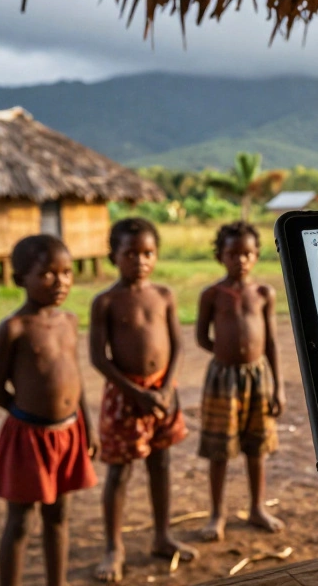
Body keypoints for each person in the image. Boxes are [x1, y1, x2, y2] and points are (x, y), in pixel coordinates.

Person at [0, 235, 99, 586]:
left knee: (59, 514)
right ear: (21, 279)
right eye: (48, 274)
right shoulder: (14, 328)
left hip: (69, 432)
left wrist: (87, 426)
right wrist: (28, 417)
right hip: (28, 438)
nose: (61, 281)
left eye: (67, 272)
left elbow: (75, 377)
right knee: (19, 520)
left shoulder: (69, 321)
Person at [90, 218, 197, 581]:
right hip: (126, 395)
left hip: (163, 392)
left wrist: (165, 389)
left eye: (148, 252)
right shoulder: (105, 301)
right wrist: (134, 392)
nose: (140, 260)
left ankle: (162, 535)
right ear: (112, 256)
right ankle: (112, 548)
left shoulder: (164, 295)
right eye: (130, 253)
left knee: (161, 464)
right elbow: (98, 358)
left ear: (157, 255)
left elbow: (178, 345)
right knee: (119, 473)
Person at [195, 221, 285, 541]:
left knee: (255, 448)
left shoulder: (264, 293)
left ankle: (257, 508)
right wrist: (225, 355)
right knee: (220, 450)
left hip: (258, 376)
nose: (240, 260)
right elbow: (201, 337)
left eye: (247, 253)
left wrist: (278, 386)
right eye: (233, 253)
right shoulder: (212, 295)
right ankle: (217, 514)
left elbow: (272, 342)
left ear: (257, 255)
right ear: (220, 256)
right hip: (223, 378)